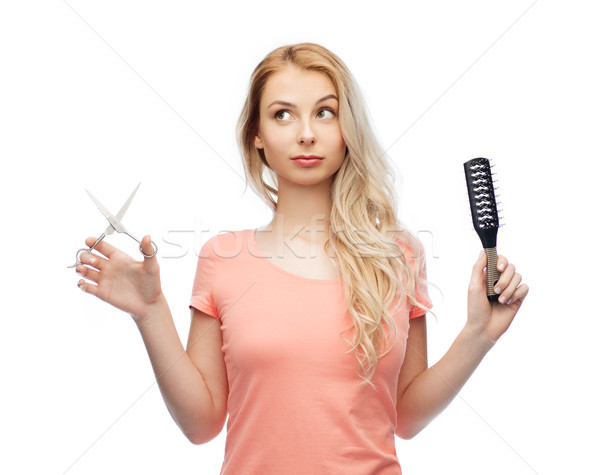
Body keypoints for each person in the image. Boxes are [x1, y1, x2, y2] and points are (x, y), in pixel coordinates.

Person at [75, 42, 529, 474]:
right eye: (283, 115)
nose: (307, 134)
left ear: (346, 128)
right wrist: (150, 311)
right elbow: (201, 424)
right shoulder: (222, 259)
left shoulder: (398, 255)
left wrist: (478, 335)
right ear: (257, 134)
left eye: (325, 112)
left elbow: (405, 414)